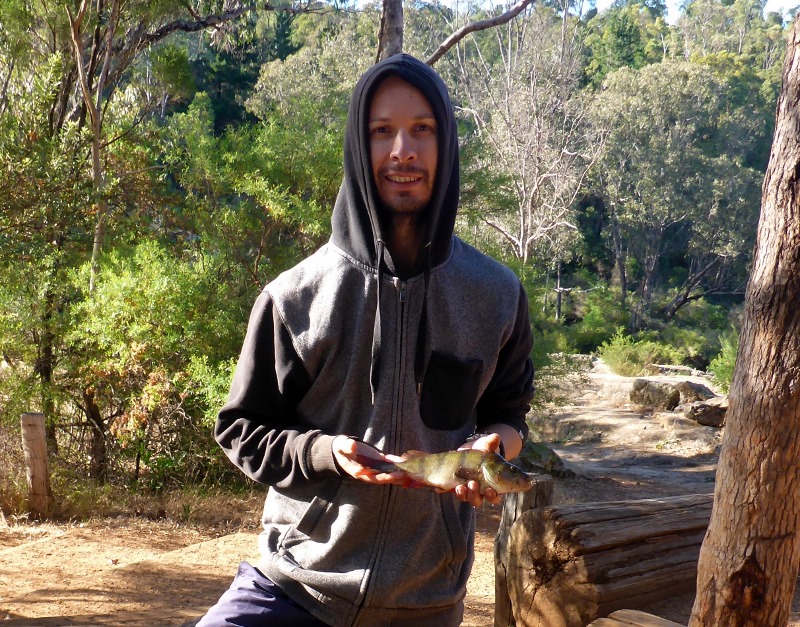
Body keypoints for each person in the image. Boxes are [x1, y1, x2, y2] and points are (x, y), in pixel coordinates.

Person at [196, 53, 534, 627]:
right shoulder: (294, 297)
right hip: (295, 588)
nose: (402, 149)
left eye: (421, 129)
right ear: (359, 146)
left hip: (424, 602)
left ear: (445, 145)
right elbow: (241, 431)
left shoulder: (497, 294)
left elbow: (510, 415)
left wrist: (489, 448)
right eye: (383, 132)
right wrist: (326, 452)